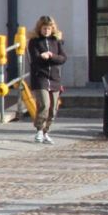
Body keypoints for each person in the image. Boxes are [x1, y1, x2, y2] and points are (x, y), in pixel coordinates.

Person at [27, 16, 65, 144]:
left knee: (53, 108)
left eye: (49, 28)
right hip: (40, 78)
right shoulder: (34, 42)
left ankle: (46, 131)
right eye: (44, 28)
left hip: (54, 78)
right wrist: (41, 56)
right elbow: (34, 58)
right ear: (40, 28)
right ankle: (39, 129)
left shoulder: (56, 41)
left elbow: (63, 58)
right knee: (44, 104)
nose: (46, 31)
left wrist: (51, 56)